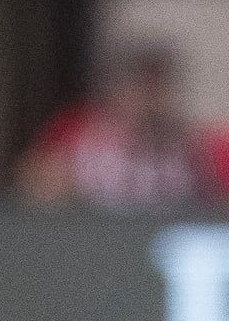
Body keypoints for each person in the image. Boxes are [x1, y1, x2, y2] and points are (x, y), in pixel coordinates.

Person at [15, 43, 206, 210]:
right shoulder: (77, 128)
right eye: (142, 86)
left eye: (158, 88)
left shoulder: (179, 142)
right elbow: (36, 189)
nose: (150, 99)